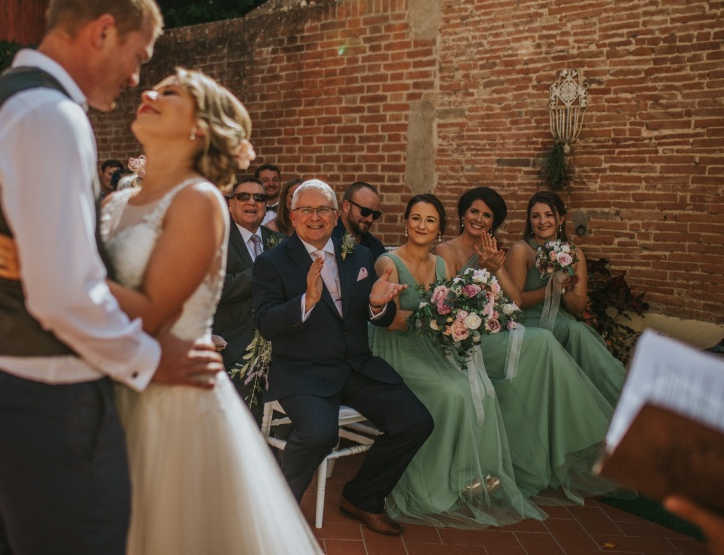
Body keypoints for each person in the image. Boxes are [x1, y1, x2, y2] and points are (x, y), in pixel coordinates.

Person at [0, 0, 269, 554]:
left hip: (19, 380)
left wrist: (25, 271)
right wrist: (149, 359)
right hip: (56, 401)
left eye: (160, 81)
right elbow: (64, 289)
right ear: (101, 33)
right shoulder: (51, 116)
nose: (138, 78)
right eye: (139, 56)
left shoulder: (3, 105)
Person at [0, 66, 325, 553]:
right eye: (155, 86)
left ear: (198, 129)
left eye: (170, 93)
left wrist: (44, 262)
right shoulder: (115, 202)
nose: (149, 92)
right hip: (110, 383)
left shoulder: (198, 201)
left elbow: (152, 312)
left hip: (171, 399)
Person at [253, 178, 434, 537]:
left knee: (415, 421)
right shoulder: (271, 263)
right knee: (320, 433)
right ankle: (274, 513)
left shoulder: (359, 254)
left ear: (337, 216)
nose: (315, 217)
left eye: (323, 209)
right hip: (304, 370)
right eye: (306, 209)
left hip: (356, 366)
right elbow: (266, 324)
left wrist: (377, 304)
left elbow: (375, 316)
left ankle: (362, 497)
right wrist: (306, 300)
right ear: (292, 215)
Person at [369, 194, 545, 528]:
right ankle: (431, 483)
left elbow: (453, 298)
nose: (422, 226)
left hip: (431, 347)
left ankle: (468, 474)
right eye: (416, 218)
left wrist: (465, 309)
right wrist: (396, 304)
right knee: (452, 391)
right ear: (405, 222)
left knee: (478, 387)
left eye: (430, 220)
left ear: (439, 229)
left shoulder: (441, 264)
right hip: (395, 351)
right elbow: (388, 317)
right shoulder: (387, 262)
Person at [434, 186, 618, 503]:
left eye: (487, 215)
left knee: (556, 340)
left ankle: (576, 440)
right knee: (544, 340)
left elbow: (514, 299)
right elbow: (448, 303)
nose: (479, 219)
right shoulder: (445, 251)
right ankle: (575, 437)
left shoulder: (494, 251)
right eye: (474, 211)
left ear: (494, 223)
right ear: (463, 214)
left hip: (492, 329)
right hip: (461, 338)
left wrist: (494, 267)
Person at [507, 191, 626, 403]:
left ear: (561, 218)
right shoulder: (521, 250)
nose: (542, 221)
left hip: (564, 322)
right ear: (530, 220)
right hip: (529, 322)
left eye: (548, 215)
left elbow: (577, 308)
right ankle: (627, 399)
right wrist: (549, 290)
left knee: (577, 330)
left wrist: (565, 284)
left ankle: (626, 398)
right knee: (576, 331)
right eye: (535, 216)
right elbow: (515, 303)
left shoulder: (574, 253)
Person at [214, 176, 286, 374]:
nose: (251, 202)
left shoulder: (280, 241)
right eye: (244, 196)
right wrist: (262, 270)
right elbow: (216, 289)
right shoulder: (216, 238)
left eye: (259, 198)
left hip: (280, 349)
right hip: (233, 349)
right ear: (231, 204)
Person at [334, 181, 387, 260]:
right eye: (365, 212)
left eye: (375, 215)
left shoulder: (375, 247)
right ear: (346, 206)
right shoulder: (327, 239)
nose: (370, 219)